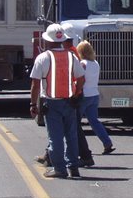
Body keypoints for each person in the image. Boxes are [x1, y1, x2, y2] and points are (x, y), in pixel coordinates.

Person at [30, 23, 85, 178]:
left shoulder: (43, 58)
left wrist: (33, 104)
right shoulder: (71, 56)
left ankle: (60, 169)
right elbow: (81, 78)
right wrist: (76, 93)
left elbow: (35, 84)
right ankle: (73, 167)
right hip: (69, 101)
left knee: (55, 137)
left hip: (51, 101)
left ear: (47, 40)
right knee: (71, 136)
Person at [75, 40, 115, 156]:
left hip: (84, 95)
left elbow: (80, 78)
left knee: (75, 123)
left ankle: (79, 148)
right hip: (94, 94)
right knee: (94, 121)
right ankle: (107, 143)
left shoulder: (82, 64)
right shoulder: (95, 63)